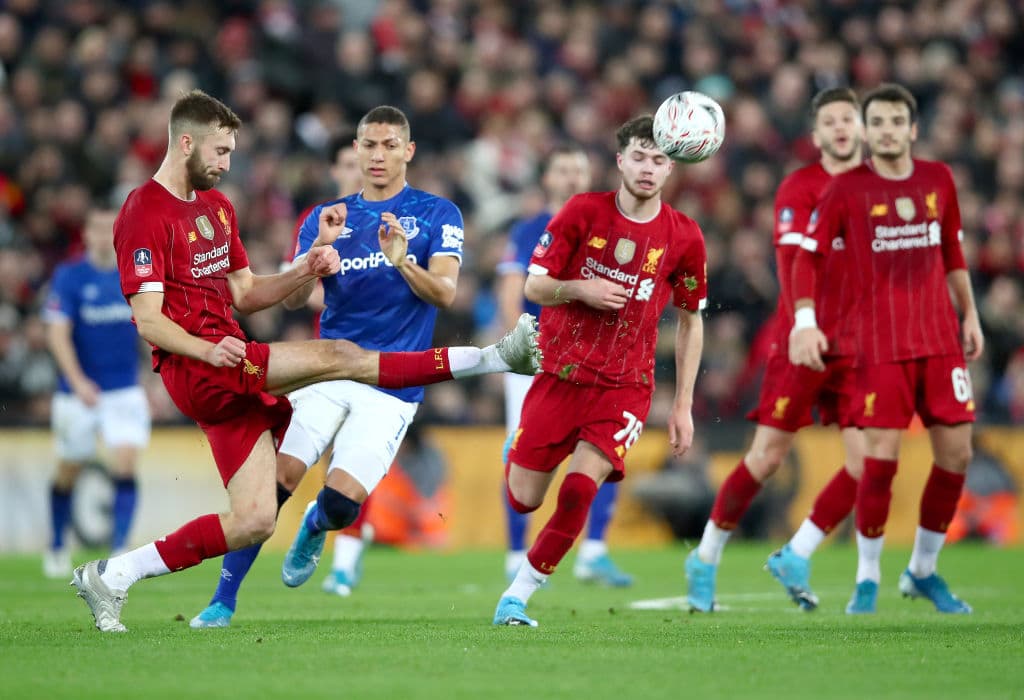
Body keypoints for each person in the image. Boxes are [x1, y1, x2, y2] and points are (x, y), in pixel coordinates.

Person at [70, 90, 541, 633]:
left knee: (254, 519)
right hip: (204, 363)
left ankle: (112, 575)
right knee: (341, 356)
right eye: (221, 152)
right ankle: (495, 357)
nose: (227, 165)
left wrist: (306, 266)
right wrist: (208, 348)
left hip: (235, 363)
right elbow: (149, 320)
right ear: (185, 143)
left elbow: (245, 293)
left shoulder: (217, 209)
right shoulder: (142, 211)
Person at [189, 105, 467, 627]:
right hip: (327, 371)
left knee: (342, 505)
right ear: (356, 152)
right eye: (369, 145)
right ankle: (222, 602)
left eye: (389, 145)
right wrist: (315, 252)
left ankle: (318, 523)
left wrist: (401, 258)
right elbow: (293, 304)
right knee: (276, 483)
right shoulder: (328, 216)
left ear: (408, 151)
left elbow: (446, 294)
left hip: (390, 385)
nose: (378, 155)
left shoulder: (437, 214)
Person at [491, 115, 707, 627]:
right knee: (524, 499)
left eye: (658, 159)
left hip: (624, 386)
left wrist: (683, 404)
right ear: (619, 160)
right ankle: (518, 449)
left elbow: (692, 321)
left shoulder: (685, 235)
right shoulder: (582, 212)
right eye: (639, 156)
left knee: (581, 489)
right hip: (559, 375)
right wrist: (580, 289)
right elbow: (535, 287)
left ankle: (517, 596)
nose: (648, 168)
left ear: (671, 166)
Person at [790, 83, 983, 614]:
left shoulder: (939, 179)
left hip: (941, 340)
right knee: (880, 461)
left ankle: (922, 569)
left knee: (957, 453)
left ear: (913, 128)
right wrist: (804, 321)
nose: (889, 130)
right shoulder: (846, 189)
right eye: (879, 122)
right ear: (867, 131)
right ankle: (868, 577)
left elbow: (952, 250)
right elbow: (806, 258)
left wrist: (970, 313)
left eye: (898, 121)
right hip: (879, 345)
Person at [685, 87, 866, 612]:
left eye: (847, 119)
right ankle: (706, 555)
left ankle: (799, 550)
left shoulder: (878, 189)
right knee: (765, 458)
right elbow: (791, 263)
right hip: (801, 338)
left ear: (861, 128)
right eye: (829, 120)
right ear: (816, 134)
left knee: (870, 461)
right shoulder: (801, 186)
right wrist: (804, 323)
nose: (839, 128)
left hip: (858, 346)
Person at [495, 144, 633, 588]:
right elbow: (513, 290)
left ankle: (594, 550)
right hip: (538, 357)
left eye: (579, 169)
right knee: (520, 451)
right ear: (547, 179)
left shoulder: (609, 227)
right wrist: (518, 348)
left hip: (594, 359)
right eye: (563, 170)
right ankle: (516, 554)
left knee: (604, 448)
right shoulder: (531, 228)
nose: (572, 177)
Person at [41, 208, 150, 578]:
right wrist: (76, 380)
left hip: (124, 389)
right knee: (68, 469)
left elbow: (150, 328)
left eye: (111, 229)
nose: (105, 235)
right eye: (98, 228)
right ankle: (56, 545)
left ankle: (119, 549)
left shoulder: (132, 275)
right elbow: (57, 334)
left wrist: (155, 377)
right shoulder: (70, 277)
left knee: (125, 462)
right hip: (78, 393)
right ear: (86, 234)